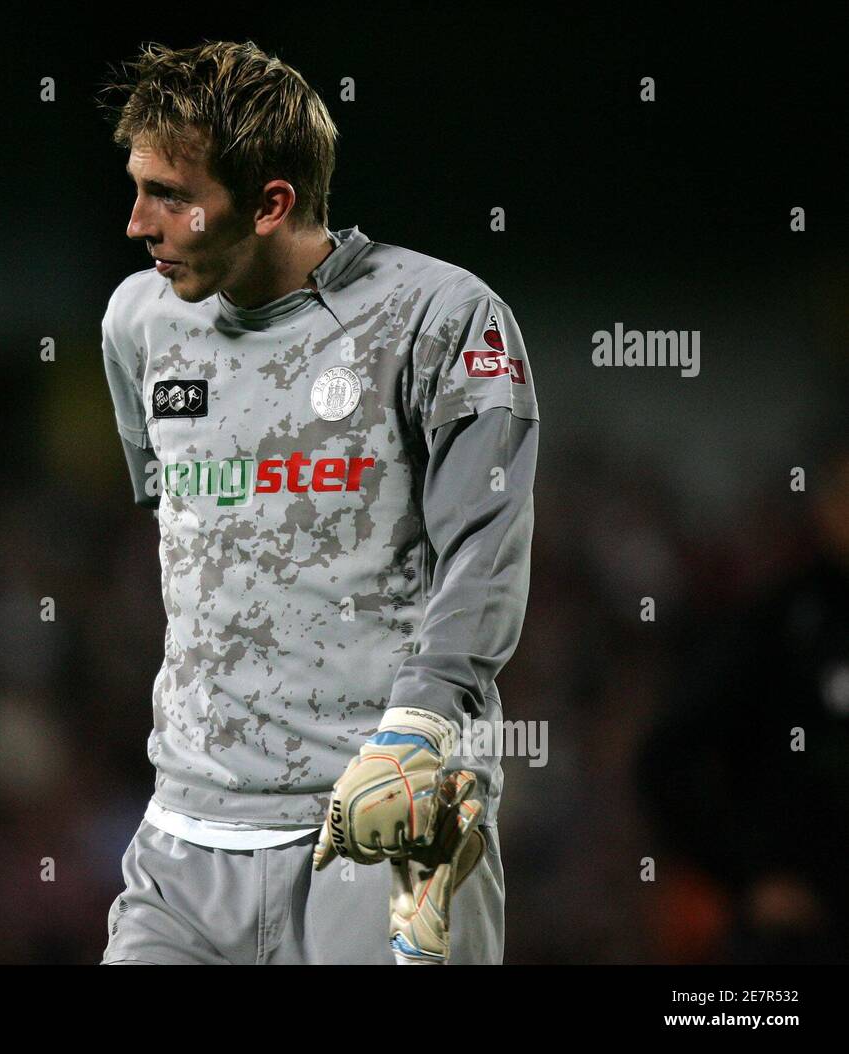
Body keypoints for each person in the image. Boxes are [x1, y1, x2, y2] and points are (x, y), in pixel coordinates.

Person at [96, 40, 538, 964]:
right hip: (184, 843)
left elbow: (484, 552)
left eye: (172, 194)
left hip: (389, 820)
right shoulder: (137, 324)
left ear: (271, 203)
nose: (139, 221)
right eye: (137, 187)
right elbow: (194, 532)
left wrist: (419, 728)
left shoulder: (441, 317)